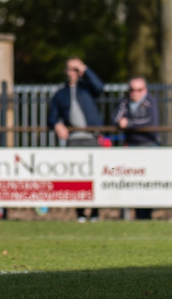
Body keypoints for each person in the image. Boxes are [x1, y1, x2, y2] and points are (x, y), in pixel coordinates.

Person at [47, 57, 104, 222]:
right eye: (70, 69)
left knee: (95, 175)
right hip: (73, 139)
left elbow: (100, 87)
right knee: (77, 177)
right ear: (65, 71)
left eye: (76, 69)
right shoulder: (60, 93)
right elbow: (52, 117)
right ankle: (80, 212)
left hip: (92, 137)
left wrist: (85, 70)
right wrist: (57, 124)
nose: (73, 72)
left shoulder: (87, 88)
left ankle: (95, 212)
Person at [114, 76, 160, 219]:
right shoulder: (125, 101)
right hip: (132, 146)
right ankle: (137, 213)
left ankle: (146, 213)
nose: (135, 93)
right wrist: (126, 124)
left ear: (145, 90)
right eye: (132, 90)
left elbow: (151, 123)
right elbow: (115, 119)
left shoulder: (150, 101)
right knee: (134, 182)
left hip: (149, 145)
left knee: (149, 182)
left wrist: (129, 124)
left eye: (138, 90)